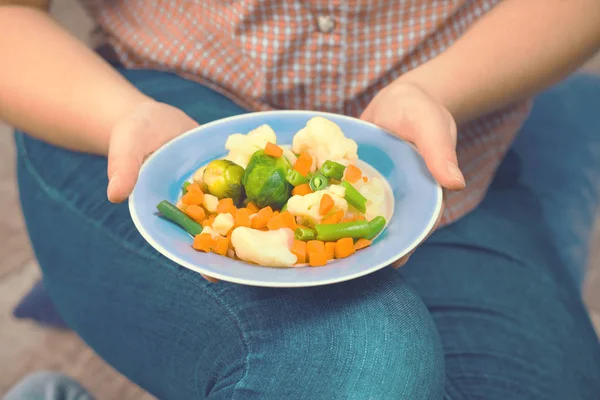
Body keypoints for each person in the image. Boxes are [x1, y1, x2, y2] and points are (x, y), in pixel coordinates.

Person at [1, 1, 600, 398]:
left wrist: (435, 90)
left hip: (442, 144)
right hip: (135, 113)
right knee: (362, 359)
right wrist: (123, 116)